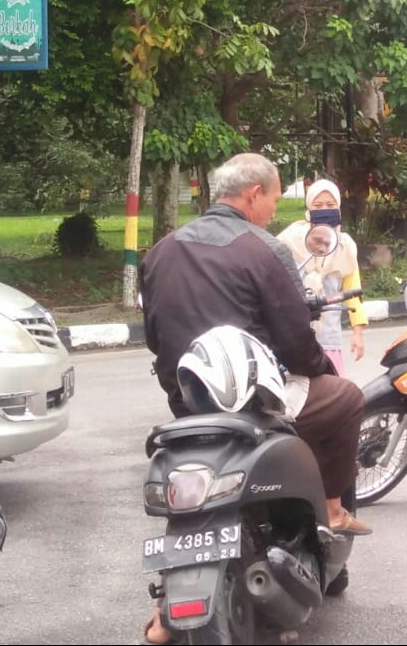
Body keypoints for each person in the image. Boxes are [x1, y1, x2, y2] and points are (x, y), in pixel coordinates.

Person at [138, 153, 371, 645]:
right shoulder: (263, 248)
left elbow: (156, 338)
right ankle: (330, 510)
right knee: (346, 398)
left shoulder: (160, 250)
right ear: (252, 195)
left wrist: (183, 392)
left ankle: (165, 611)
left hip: (190, 402)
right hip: (254, 403)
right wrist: (323, 369)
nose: (273, 208)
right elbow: (293, 339)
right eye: (273, 196)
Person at [277, 179, 368, 377]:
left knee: (334, 395)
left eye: (330, 205)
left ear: (339, 208)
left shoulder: (345, 247)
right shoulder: (289, 240)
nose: (324, 209)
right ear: (308, 209)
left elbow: (353, 292)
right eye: (318, 206)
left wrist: (358, 334)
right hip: (294, 337)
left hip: (329, 338)